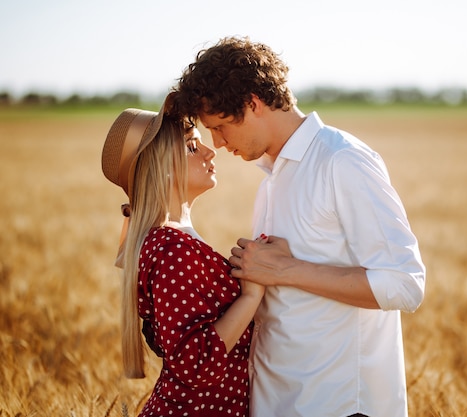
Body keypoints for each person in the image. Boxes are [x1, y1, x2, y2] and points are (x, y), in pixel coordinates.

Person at [172, 36, 426, 417]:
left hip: (338, 403)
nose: (218, 144)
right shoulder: (271, 179)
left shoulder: (342, 161)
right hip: (277, 402)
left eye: (221, 127)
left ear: (252, 103)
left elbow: (405, 285)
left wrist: (286, 270)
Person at [101, 93, 264, 417]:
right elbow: (196, 364)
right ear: (160, 167)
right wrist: (251, 296)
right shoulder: (172, 249)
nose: (209, 151)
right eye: (191, 146)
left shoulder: (174, 240)